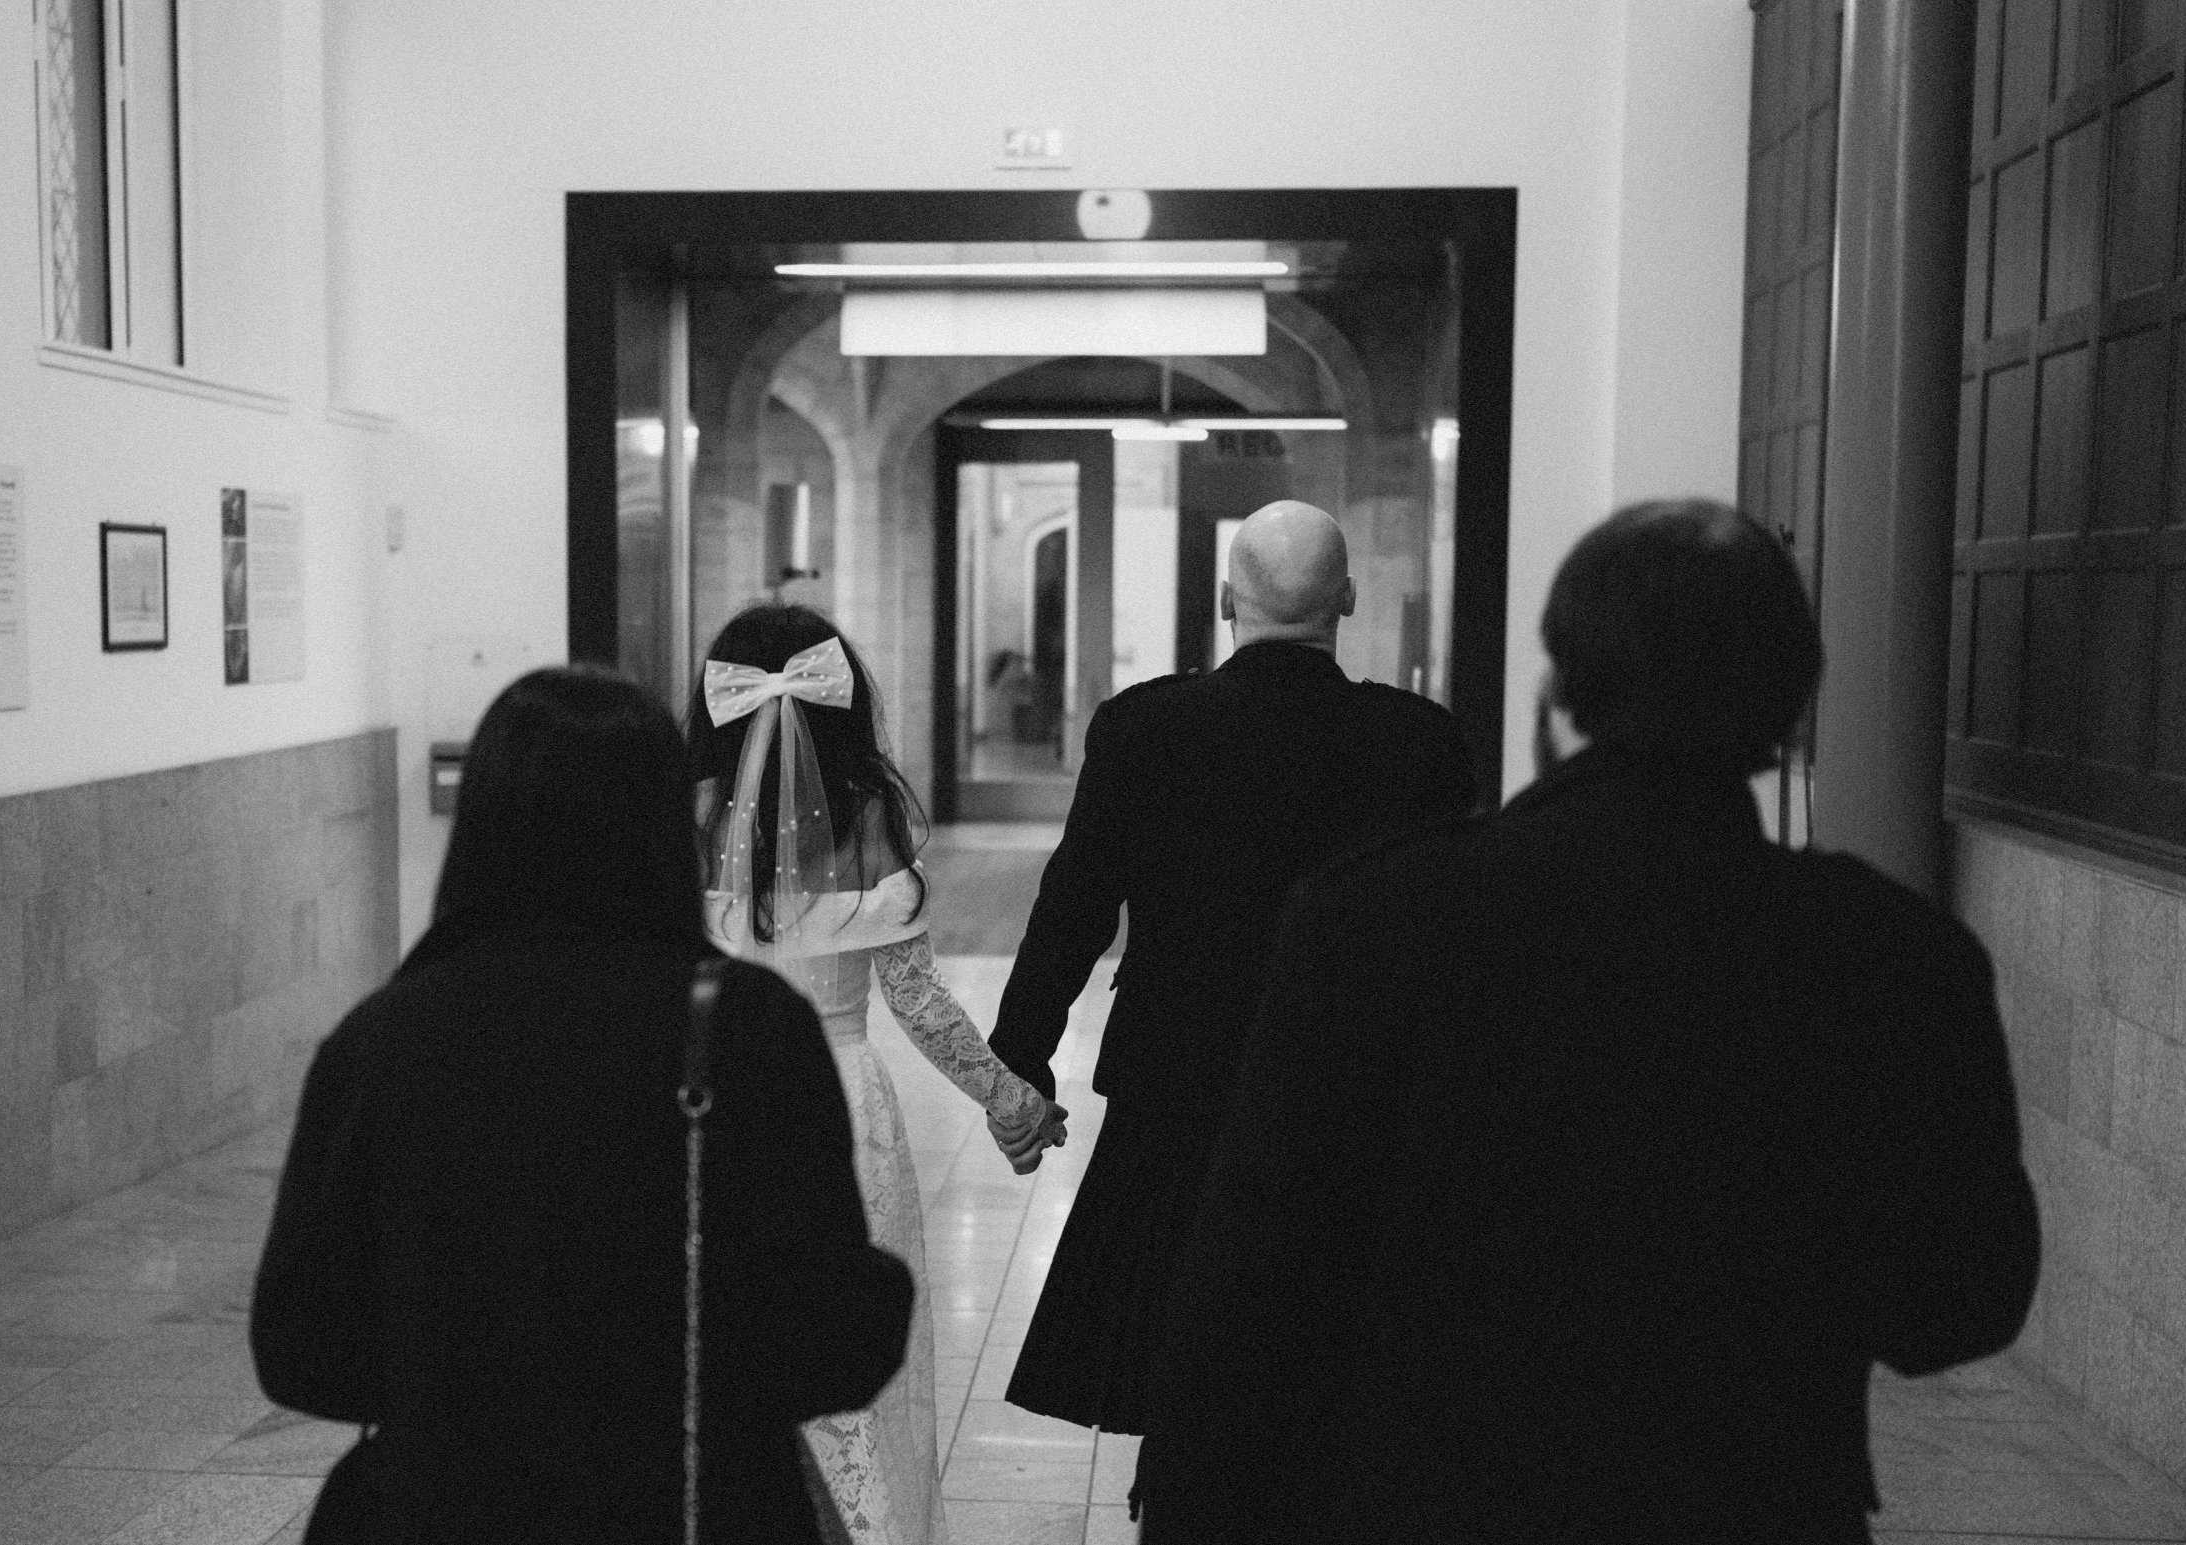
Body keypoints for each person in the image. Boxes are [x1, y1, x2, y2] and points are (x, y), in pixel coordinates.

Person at [1146, 499, 2042, 1543]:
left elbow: (1248, 1293)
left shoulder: (1376, 921)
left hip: (1427, 1501)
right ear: (1792, 707)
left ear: (1554, 690)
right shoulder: (1893, 958)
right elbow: (1954, 1309)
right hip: (1756, 1506)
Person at [251, 667, 914, 1544]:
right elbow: (832, 1341)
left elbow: (301, 1347)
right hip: (695, 1503)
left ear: (479, 825)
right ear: (661, 824)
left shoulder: (382, 1040)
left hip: (445, 1509)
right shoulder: (753, 1029)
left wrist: (461, 1370)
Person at [984, 499, 1477, 1513]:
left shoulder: (1143, 728)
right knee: (1335, 1350)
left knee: (1177, 1339)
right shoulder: (1417, 741)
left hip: (1177, 1081)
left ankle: (1181, 1507)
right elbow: (1455, 937)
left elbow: (1072, 907)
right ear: (1344, 598)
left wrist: (1017, 1066)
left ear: (1222, 600)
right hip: (1361, 1097)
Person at [689, 603, 1069, 1545]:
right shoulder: (869, 814)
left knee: (722, 1349)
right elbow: (920, 1003)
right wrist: (1008, 1095)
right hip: (844, 1113)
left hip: (713, 1116)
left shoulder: (688, 816)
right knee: (857, 1353)